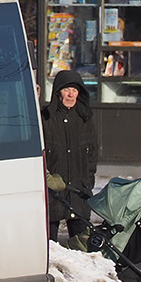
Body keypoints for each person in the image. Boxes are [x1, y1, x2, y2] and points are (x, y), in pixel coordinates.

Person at [42, 70, 98, 250]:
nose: (71, 94)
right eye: (67, 90)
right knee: (49, 247)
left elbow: (92, 154)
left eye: (74, 90)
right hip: (53, 191)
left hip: (79, 190)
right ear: (58, 92)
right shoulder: (46, 118)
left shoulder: (85, 118)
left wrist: (88, 182)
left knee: (82, 246)